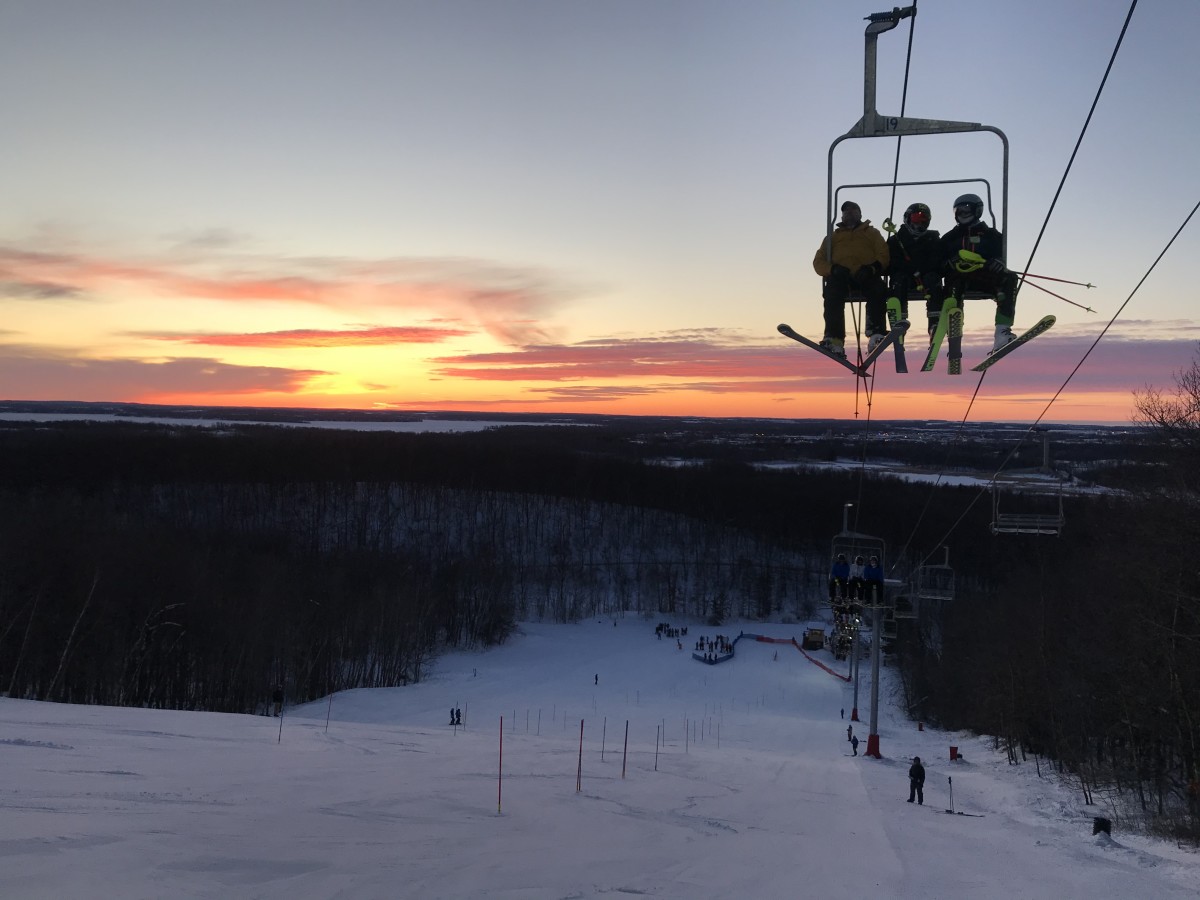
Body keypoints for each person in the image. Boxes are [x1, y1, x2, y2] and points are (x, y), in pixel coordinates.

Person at [940, 193, 1020, 353]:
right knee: (954, 282)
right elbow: (937, 263)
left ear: (977, 210)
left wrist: (997, 262)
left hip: (983, 276)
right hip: (959, 278)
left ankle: (1002, 332)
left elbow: (999, 256)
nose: (963, 213)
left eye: (967, 209)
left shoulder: (991, 235)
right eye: (959, 210)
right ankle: (955, 330)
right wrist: (950, 262)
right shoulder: (950, 238)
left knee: (1009, 278)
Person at [812, 200, 890, 358]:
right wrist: (833, 269)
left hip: (866, 274)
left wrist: (872, 268)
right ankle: (834, 339)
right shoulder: (832, 238)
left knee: (878, 289)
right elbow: (818, 262)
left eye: (854, 210)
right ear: (841, 215)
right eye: (846, 211)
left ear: (860, 214)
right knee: (832, 293)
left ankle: (876, 333)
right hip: (841, 276)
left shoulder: (871, 233)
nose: (850, 213)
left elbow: (883, 254)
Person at [887, 202, 945, 341]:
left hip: (925, 278)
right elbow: (890, 263)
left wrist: (921, 269)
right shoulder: (895, 240)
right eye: (916, 219)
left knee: (934, 279)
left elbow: (938, 260)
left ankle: (934, 324)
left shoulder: (933, 239)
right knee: (898, 280)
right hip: (904, 277)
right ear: (907, 218)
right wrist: (909, 268)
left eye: (924, 220)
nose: (920, 223)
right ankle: (899, 323)